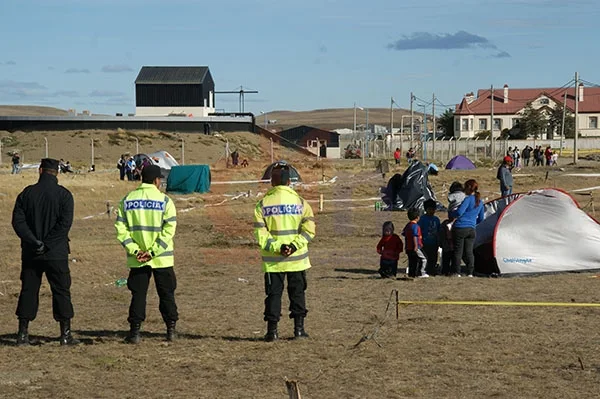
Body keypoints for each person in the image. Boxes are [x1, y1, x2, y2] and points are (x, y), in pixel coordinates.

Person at [12, 158, 80, 346]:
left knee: (28, 290)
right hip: (56, 252)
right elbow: (64, 225)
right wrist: (48, 244)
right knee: (61, 290)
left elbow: (18, 222)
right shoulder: (64, 195)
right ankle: (65, 334)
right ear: (57, 172)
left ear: (40, 170)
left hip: (31, 253)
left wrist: (34, 242)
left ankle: (23, 333)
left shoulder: (26, 194)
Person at [115, 165, 178, 344]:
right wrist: (153, 252)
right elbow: (169, 231)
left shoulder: (127, 200)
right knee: (167, 293)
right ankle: (170, 330)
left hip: (137, 259)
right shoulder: (165, 201)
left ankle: (134, 332)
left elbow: (121, 230)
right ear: (157, 181)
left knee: (138, 295)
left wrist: (136, 251)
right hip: (162, 258)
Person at [253, 163, 315, 342]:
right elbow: (309, 230)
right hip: (297, 259)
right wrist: (294, 246)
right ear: (289, 181)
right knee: (297, 294)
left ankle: (272, 332)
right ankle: (299, 330)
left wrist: (277, 247)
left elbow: (261, 234)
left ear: (272, 182)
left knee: (273, 295)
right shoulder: (301, 203)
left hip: (273, 261)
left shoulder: (262, 205)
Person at [450, 179, 485, 277]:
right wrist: (473, 223)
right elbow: (481, 218)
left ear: (469, 188)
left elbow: (459, 212)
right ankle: (470, 272)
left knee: (458, 251)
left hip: (460, 227)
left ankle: (457, 272)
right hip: (472, 229)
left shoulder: (467, 199)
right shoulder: (480, 202)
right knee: (469, 252)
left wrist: (451, 213)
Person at [402, 208, 428, 278]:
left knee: (412, 262)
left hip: (408, 247)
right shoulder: (415, 226)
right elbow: (415, 236)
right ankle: (421, 273)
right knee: (424, 259)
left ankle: (412, 274)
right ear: (417, 217)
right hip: (416, 247)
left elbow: (404, 234)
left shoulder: (408, 225)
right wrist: (416, 246)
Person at [418, 199, 440, 276]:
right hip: (425, 243)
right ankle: (423, 271)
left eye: (433, 209)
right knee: (425, 258)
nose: (431, 211)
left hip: (434, 243)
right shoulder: (422, 219)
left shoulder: (436, 220)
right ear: (426, 209)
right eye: (429, 209)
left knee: (433, 258)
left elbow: (438, 230)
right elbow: (419, 230)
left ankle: (432, 270)